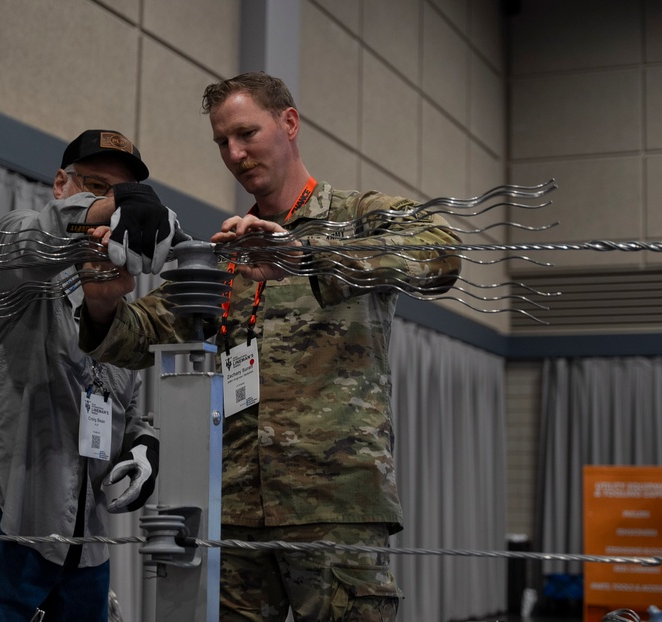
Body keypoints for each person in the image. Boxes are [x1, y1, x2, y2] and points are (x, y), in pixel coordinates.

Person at [80, 73, 462, 621]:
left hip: (333, 505)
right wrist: (101, 301)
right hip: (235, 508)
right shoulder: (230, 248)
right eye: (221, 142)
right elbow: (141, 333)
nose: (235, 153)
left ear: (289, 122)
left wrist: (304, 255)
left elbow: (441, 254)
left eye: (246, 133)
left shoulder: (354, 214)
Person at [0, 129, 170, 622]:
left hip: (85, 542)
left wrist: (143, 444)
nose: (108, 202)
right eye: (94, 185)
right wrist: (109, 211)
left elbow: (125, 407)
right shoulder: (15, 248)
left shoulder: (114, 301)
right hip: (4, 517)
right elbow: (33, 236)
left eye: (119, 193)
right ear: (60, 184)